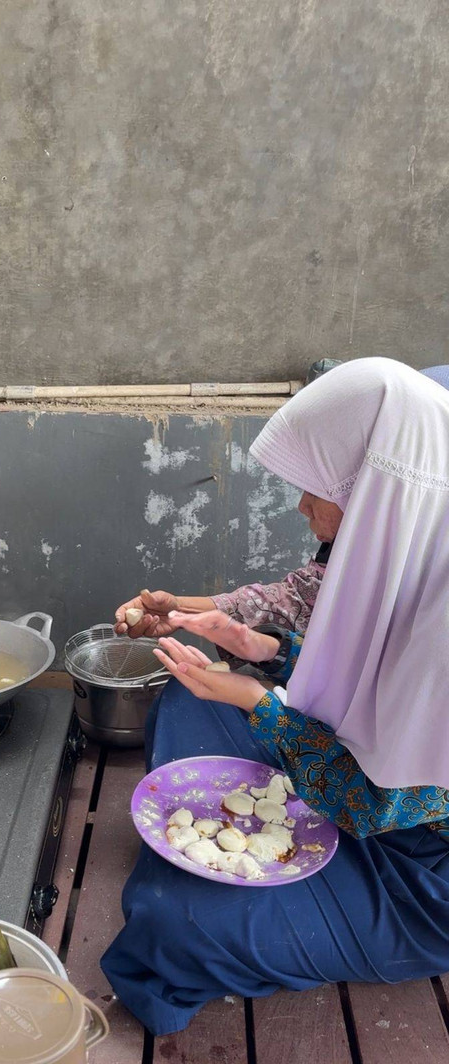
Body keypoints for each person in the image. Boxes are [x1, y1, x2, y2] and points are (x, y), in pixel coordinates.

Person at [101, 357, 449, 1036]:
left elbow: (378, 805)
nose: (302, 507)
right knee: (189, 699)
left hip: (416, 873)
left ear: (378, 486)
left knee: (176, 924)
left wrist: (258, 704)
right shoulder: (397, 536)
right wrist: (263, 649)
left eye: (317, 489)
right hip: (341, 782)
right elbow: (330, 636)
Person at [116, 362, 449, 646]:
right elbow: (302, 599)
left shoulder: (435, 598)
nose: (303, 506)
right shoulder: (364, 543)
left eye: (318, 490)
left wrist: (259, 692)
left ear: (371, 488)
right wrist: (179, 610)